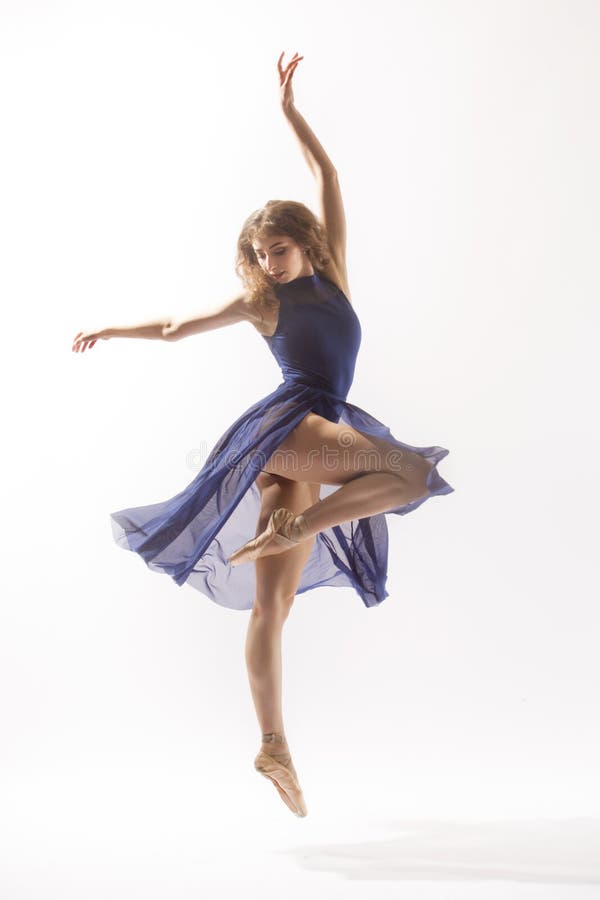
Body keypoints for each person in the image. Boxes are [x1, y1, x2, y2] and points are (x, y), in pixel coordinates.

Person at [72, 51, 454, 819]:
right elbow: (179, 327)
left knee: (272, 607)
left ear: (306, 246)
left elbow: (329, 179)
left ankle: (273, 742)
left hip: (308, 439)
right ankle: (297, 526)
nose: (266, 263)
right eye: (257, 256)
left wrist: (290, 114)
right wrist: (112, 329)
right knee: (411, 476)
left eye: (275, 251)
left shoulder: (333, 270)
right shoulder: (262, 303)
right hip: (285, 427)